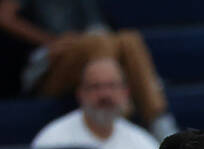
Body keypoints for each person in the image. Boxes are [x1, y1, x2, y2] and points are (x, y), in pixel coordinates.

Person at [0, 0, 176, 138]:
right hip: (47, 65)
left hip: (91, 52)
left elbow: (97, 24)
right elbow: (4, 16)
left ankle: (160, 122)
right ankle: (121, 115)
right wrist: (50, 41)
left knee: (129, 39)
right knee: (98, 42)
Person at [31, 56, 158, 149]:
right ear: (80, 94)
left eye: (112, 86)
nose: (104, 94)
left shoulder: (142, 142)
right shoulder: (52, 141)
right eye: (95, 87)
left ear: (125, 93)